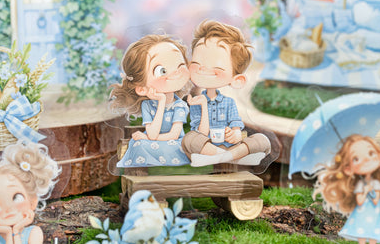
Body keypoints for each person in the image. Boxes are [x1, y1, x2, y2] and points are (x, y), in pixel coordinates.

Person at [182, 20, 271, 167]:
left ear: (237, 80)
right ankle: (232, 157)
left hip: (230, 147)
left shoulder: (229, 102)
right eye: (197, 62)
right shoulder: (197, 102)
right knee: (190, 139)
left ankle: (227, 156)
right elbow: (201, 134)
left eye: (214, 64)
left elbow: (236, 124)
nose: (202, 68)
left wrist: (235, 134)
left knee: (262, 140)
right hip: (208, 147)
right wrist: (203, 105)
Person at [110, 34, 191, 167]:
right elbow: (152, 133)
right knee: (138, 144)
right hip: (151, 141)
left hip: (173, 144)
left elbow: (174, 135)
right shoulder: (147, 105)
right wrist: (161, 102)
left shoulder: (180, 106)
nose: (174, 73)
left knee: (149, 144)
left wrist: (147, 137)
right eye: (162, 71)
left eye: (180, 65)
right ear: (142, 89)